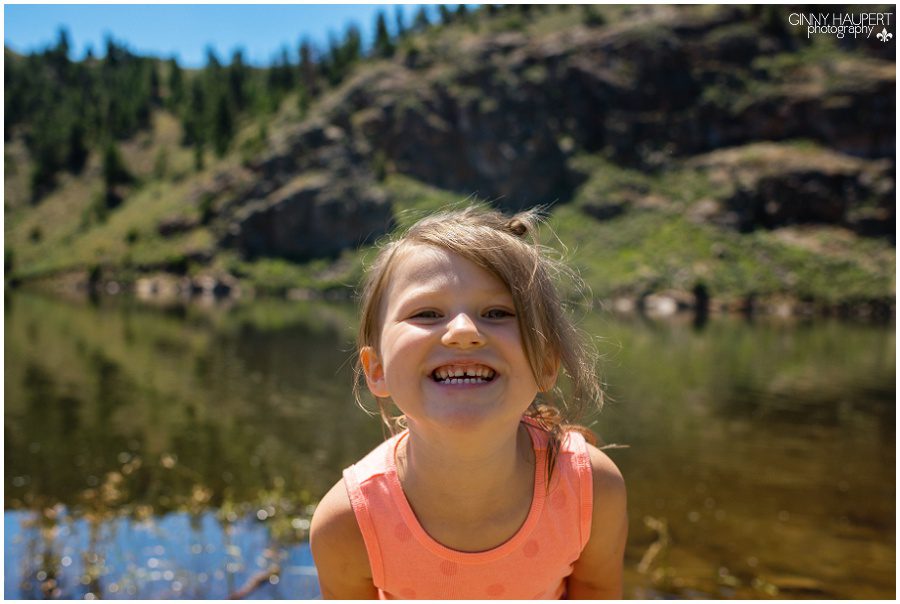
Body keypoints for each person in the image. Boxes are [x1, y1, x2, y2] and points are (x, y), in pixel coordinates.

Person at [310, 206, 627, 599]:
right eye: (427, 313)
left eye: (497, 312)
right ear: (377, 370)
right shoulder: (349, 521)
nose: (463, 332)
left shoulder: (591, 488)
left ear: (546, 362)